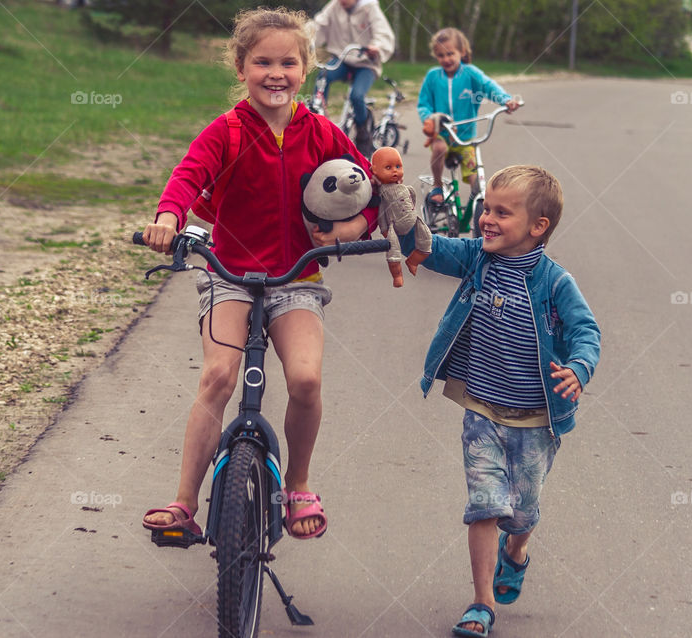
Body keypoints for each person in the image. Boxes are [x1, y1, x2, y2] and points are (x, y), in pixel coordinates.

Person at [141, 7, 378, 541]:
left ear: (306, 68)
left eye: (288, 63)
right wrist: (167, 217)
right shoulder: (225, 131)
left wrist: (348, 232)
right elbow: (187, 176)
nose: (277, 73)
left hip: (296, 278)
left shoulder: (321, 132)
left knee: (307, 378)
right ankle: (184, 502)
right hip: (230, 274)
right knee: (218, 376)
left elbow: (371, 192)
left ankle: (297, 485)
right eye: (263, 62)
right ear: (242, 67)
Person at [398, 166, 600, 637]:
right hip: (483, 410)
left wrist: (579, 368)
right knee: (486, 504)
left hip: (536, 418)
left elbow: (586, 331)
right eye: (486, 208)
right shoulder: (476, 259)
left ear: (537, 227)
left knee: (522, 511)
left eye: (501, 212)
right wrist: (403, 212)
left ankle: (516, 553)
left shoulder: (554, 282)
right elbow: (426, 250)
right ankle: (481, 603)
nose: (486, 218)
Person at [418, 27, 521, 207]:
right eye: (441, 55)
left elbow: (489, 86)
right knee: (439, 148)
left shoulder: (470, 73)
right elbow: (423, 104)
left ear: (462, 52)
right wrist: (430, 117)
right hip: (442, 133)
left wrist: (506, 100)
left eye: (450, 53)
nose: (446, 59)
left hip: (466, 138)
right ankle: (437, 185)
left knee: (476, 178)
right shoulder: (433, 76)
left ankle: (479, 205)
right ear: (436, 56)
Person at [312, 0, 395, 157]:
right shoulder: (334, 6)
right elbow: (318, 25)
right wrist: (302, 39)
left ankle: (363, 135)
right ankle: (317, 121)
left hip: (366, 63)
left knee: (356, 96)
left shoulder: (369, 8)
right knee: (323, 76)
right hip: (342, 60)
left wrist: (376, 47)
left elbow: (383, 33)